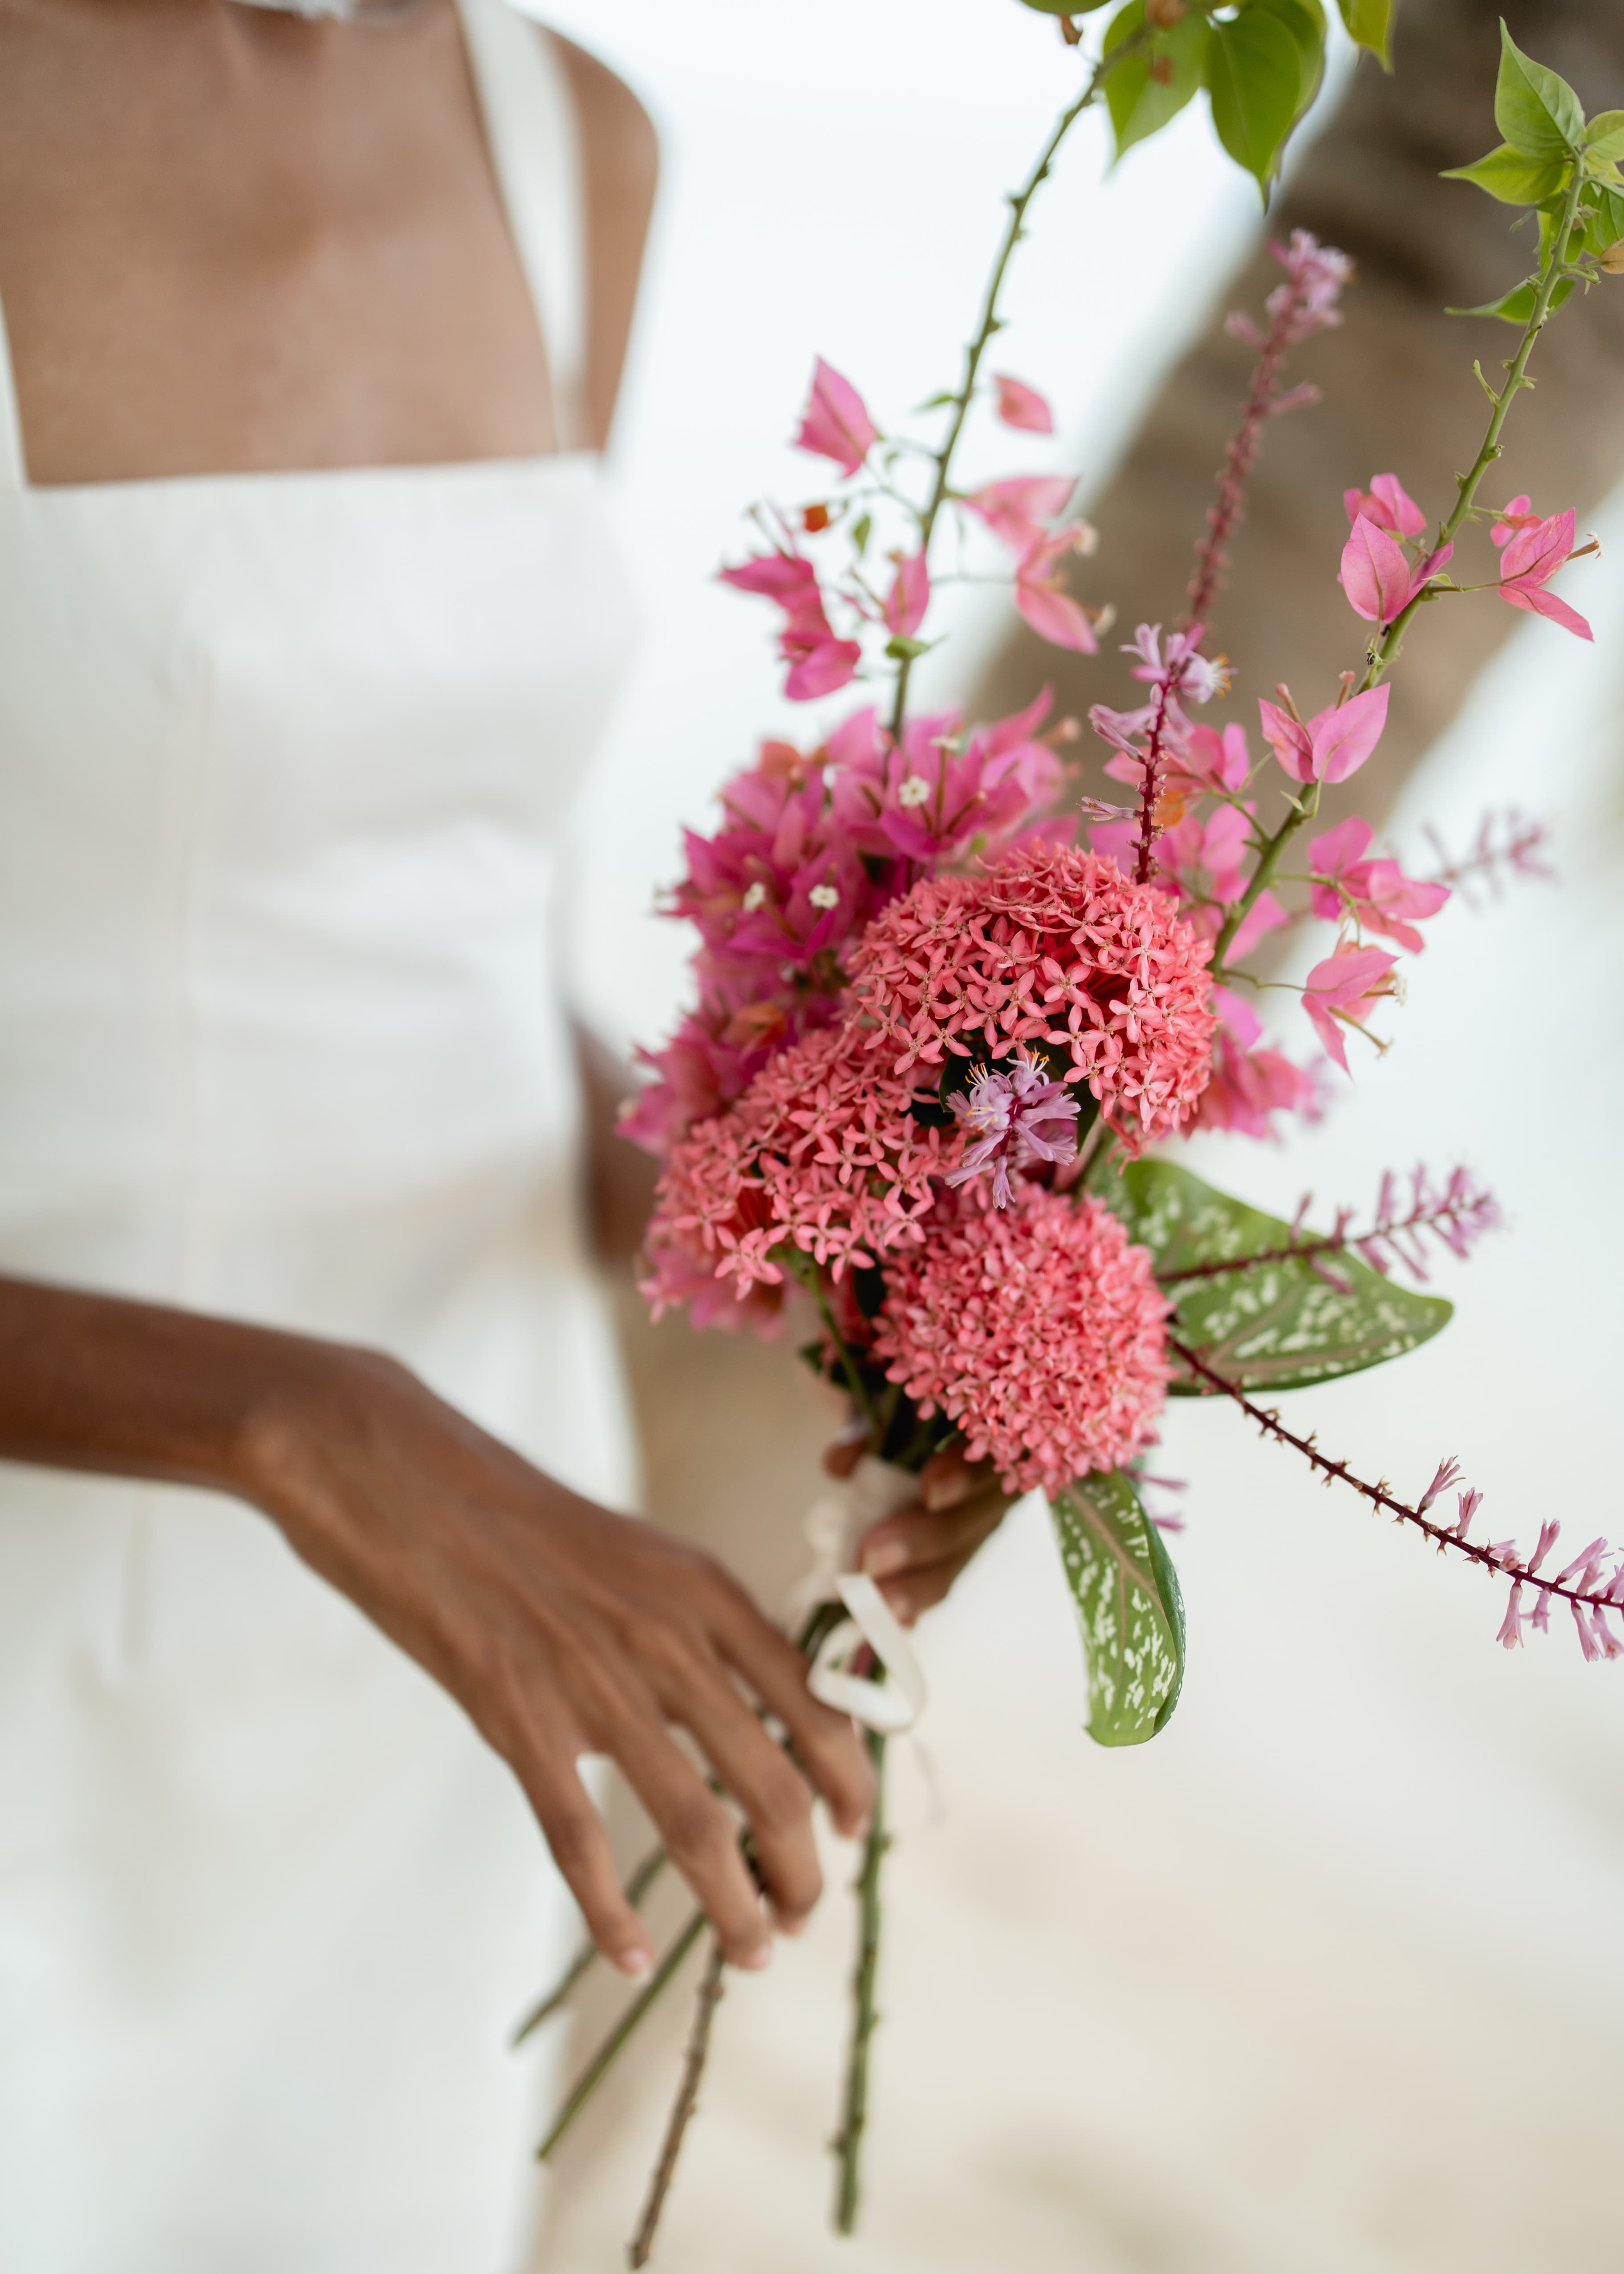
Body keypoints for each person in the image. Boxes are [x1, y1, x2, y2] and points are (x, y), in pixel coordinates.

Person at [0, 2, 999, 2264]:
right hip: (69, 1573)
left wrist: (801, 1244)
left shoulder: (576, 141)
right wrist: (305, 1412)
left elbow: (454, 920)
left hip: (479, 1607)